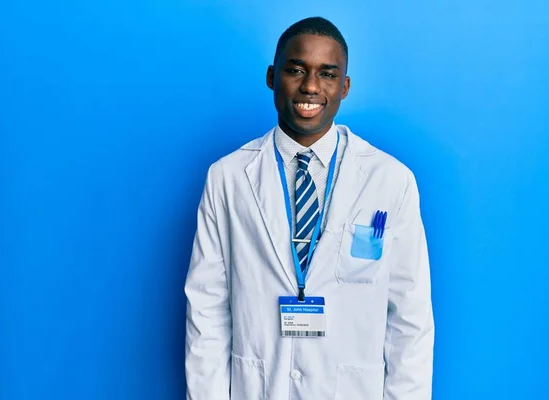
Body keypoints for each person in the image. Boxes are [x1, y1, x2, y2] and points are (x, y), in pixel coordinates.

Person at [185, 16, 434, 400]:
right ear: (272, 76)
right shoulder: (228, 177)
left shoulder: (391, 181)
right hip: (258, 388)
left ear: (345, 87)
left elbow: (410, 319)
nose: (311, 86)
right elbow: (206, 312)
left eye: (328, 74)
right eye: (296, 70)